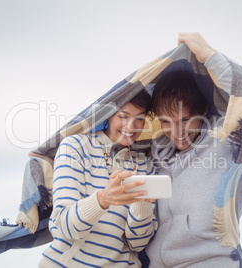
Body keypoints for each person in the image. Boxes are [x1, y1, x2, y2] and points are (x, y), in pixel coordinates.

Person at [144, 32, 242, 267]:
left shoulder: (225, 140)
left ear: (204, 110)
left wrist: (209, 55)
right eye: (166, 121)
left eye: (185, 119)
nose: (176, 131)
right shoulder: (153, 156)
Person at [39, 89, 157, 268]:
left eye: (139, 118)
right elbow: (63, 226)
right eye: (123, 116)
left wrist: (142, 205)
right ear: (108, 115)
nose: (131, 127)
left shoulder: (144, 165)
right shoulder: (75, 146)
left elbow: (138, 244)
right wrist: (103, 200)